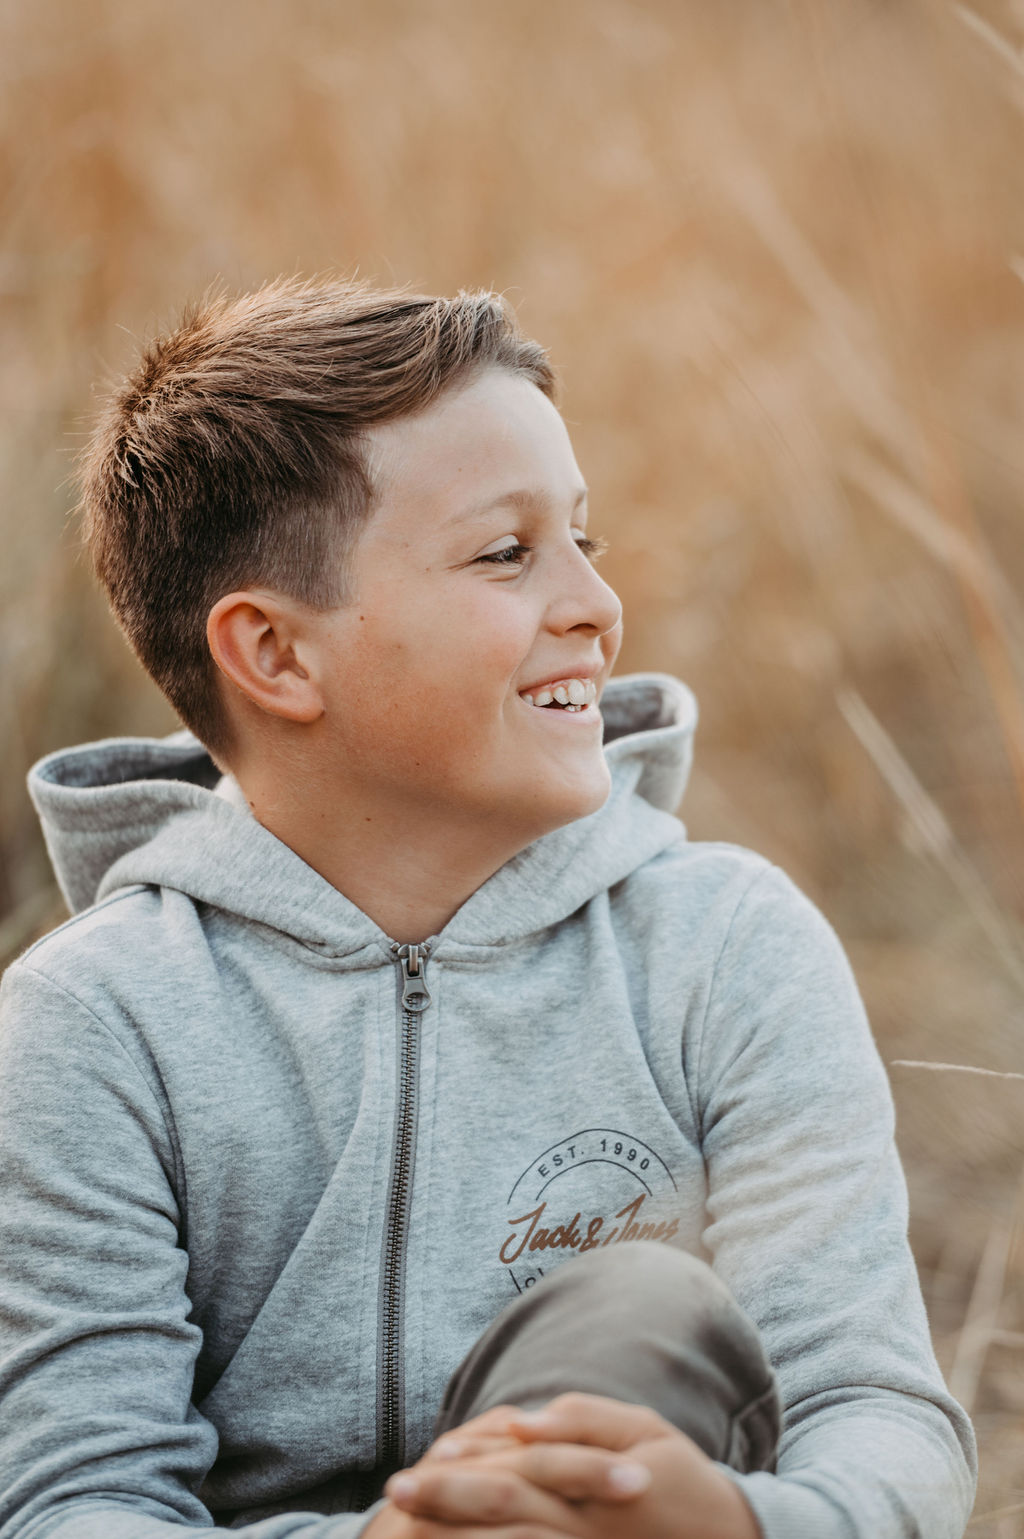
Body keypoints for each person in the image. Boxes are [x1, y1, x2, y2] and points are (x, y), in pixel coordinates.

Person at [0, 277, 975, 1539]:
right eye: (507, 552)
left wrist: (737, 1522)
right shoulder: (98, 1021)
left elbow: (878, 1414)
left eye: (586, 540)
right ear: (277, 655)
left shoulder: (726, 946)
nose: (594, 606)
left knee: (637, 1319)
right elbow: (76, 1504)